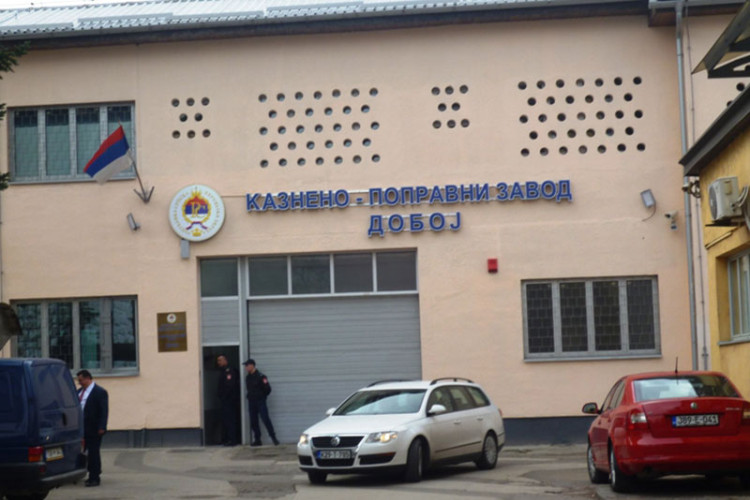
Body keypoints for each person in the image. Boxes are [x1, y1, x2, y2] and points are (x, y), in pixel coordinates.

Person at [76, 370, 109, 487]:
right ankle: (89, 472)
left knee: (93, 452)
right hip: (81, 428)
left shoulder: (99, 392)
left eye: (81, 380)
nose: (79, 383)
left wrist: (102, 426)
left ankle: (94, 477)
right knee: (84, 452)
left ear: (87, 378)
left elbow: (104, 411)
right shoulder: (79, 392)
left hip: (94, 428)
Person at [243, 358, 279, 446]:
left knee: (265, 419)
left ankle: (273, 438)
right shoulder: (248, 377)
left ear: (252, 365)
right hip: (252, 402)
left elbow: (268, 389)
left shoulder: (261, 376)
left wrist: (262, 396)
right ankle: (257, 440)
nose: (246, 367)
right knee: (253, 421)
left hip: (260, 401)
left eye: (247, 365)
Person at [216, 354, 240, 446]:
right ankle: (226, 439)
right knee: (225, 420)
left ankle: (232, 440)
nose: (218, 362)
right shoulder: (222, 371)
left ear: (225, 360)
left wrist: (224, 397)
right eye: (218, 360)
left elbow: (230, 386)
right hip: (225, 401)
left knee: (230, 420)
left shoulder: (230, 371)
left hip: (230, 401)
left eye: (220, 360)